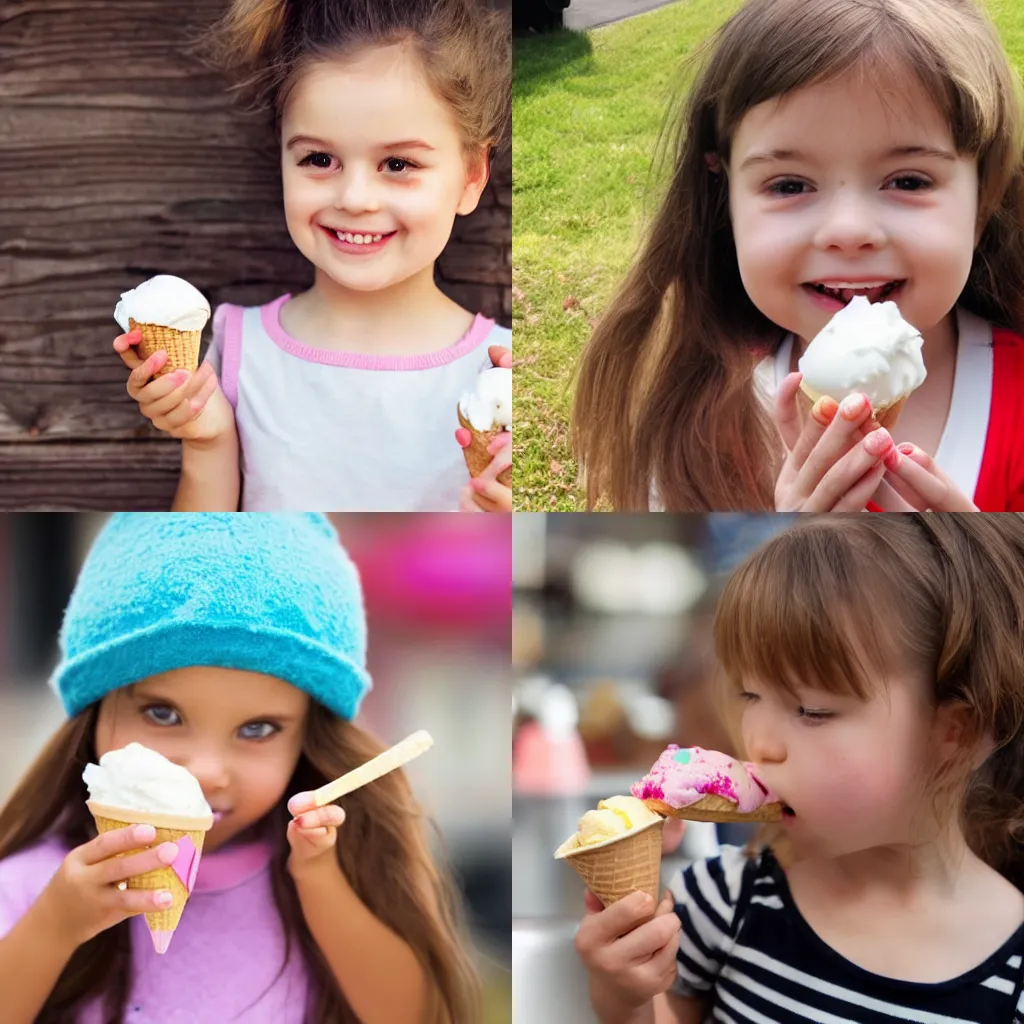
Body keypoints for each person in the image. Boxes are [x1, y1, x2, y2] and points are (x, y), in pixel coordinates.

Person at [0, 513, 481, 1023]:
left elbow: (413, 1015)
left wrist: (318, 879)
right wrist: (53, 927)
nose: (206, 772)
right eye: (162, 713)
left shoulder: (330, 879)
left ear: (306, 740)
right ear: (95, 713)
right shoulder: (31, 885)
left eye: (258, 730)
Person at [573, 0, 1024, 512]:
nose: (848, 232)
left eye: (908, 180)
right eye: (789, 184)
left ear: (983, 200)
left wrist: (986, 563)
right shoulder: (699, 427)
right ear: (728, 202)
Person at [574, 513, 1024, 1023]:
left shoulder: (1012, 973)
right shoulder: (726, 899)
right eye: (750, 694)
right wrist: (625, 998)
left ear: (953, 731)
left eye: (812, 710)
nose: (759, 743)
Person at [113, 0, 513, 513]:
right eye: (319, 159)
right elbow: (205, 560)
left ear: (472, 176)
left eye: (398, 163)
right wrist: (208, 442)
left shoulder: (503, 379)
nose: (354, 198)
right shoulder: (239, 355)